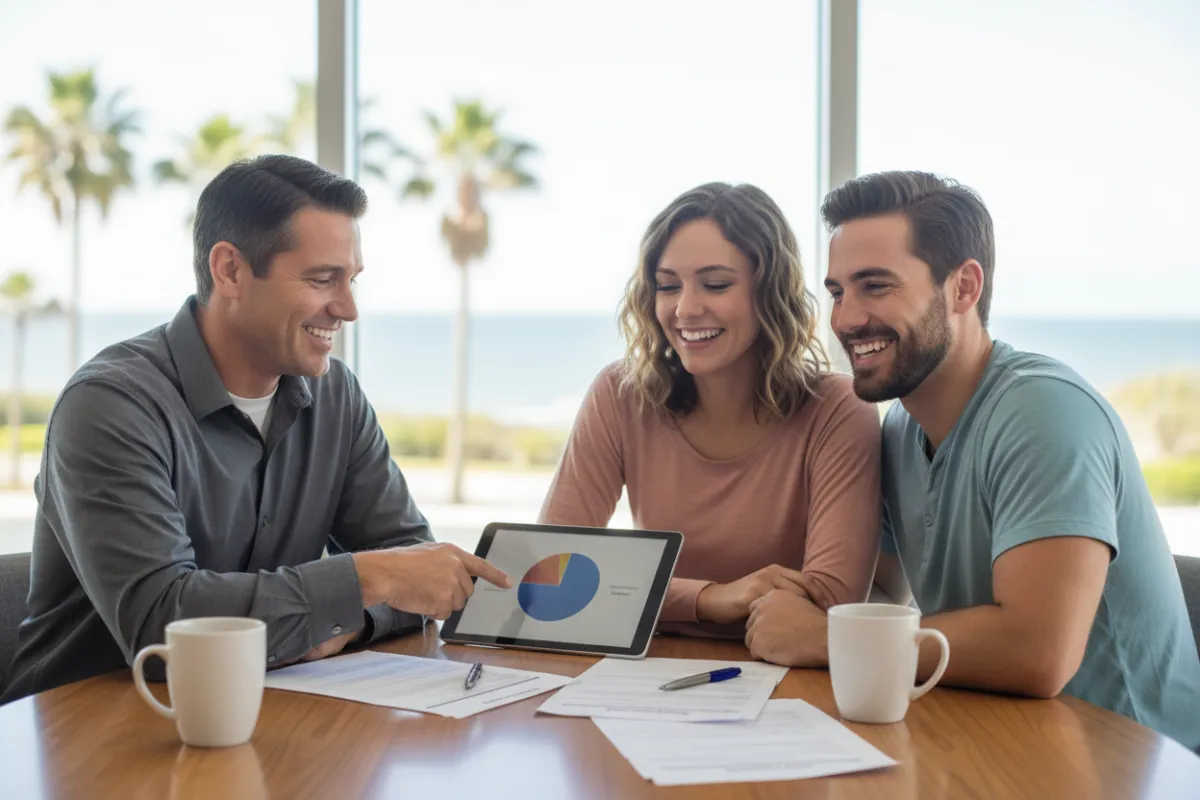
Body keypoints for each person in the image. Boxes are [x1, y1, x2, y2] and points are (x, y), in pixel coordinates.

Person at [1, 155, 510, 703]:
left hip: (259, 717)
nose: (348, 308)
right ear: (231, 271)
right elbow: (164, 624)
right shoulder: (110, 406)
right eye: (322, 279)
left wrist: (350, 620)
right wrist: (360, 582)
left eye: (352, 279)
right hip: (92, 730)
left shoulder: (335, 396)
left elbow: (416, 570)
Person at [745, 170, 1200, 749]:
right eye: (838, 292)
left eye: (876, 286)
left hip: (1132, 760)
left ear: (963, 288)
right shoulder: (902, 426)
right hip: (996, 739)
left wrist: (826, 640)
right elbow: (882, 593)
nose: (846, 319)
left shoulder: (1044, 413)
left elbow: (1039, 652)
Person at [538, 182, 883, 635]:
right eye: (667, 286)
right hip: (646, 672)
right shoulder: (620, 394)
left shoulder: (837, 409)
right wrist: (708, 598)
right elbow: (548, 575)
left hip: (790, 674)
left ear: (770, 292)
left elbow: (830, 606)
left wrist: (636, 593)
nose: (684, 309)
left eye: (716, 284)